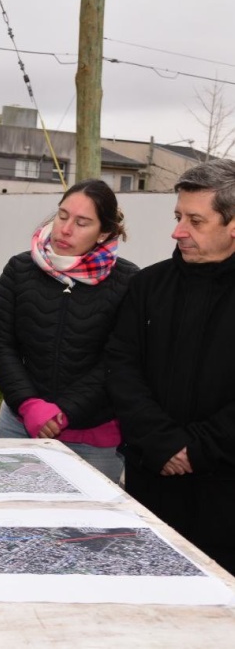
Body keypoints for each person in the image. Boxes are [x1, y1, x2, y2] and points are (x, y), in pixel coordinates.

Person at [106, 159, 235, 574]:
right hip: (151, 479)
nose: (178, 231)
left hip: (225, 493)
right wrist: (162, 443)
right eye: (178, 216)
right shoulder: (148, 286)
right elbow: (121, 368)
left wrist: (195, 449)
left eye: (195, 220)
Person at [0, 179, 138, 482]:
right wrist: (29, 404)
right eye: (63, 215)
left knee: (85, 527)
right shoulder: (20, 269)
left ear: (104, 232)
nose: (66, 229)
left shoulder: (129, 282)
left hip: (93, 438)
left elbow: (119, 359)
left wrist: (64, 412)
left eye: (82, 222)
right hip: (19, 423)